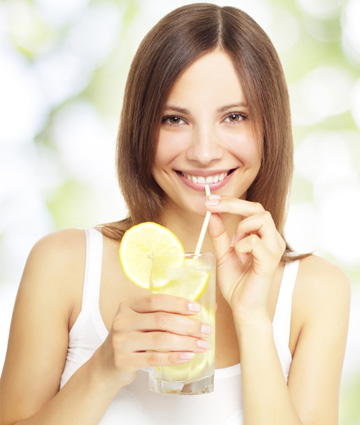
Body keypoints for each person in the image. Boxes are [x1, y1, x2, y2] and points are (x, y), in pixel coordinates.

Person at [1, 3, 350, 425]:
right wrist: (104, 367)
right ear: (141, 129)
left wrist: (253, 320)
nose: (204, 152)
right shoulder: (64, 265)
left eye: (234, 117)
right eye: (174, 119)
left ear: (269, 128)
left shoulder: (316, 293)